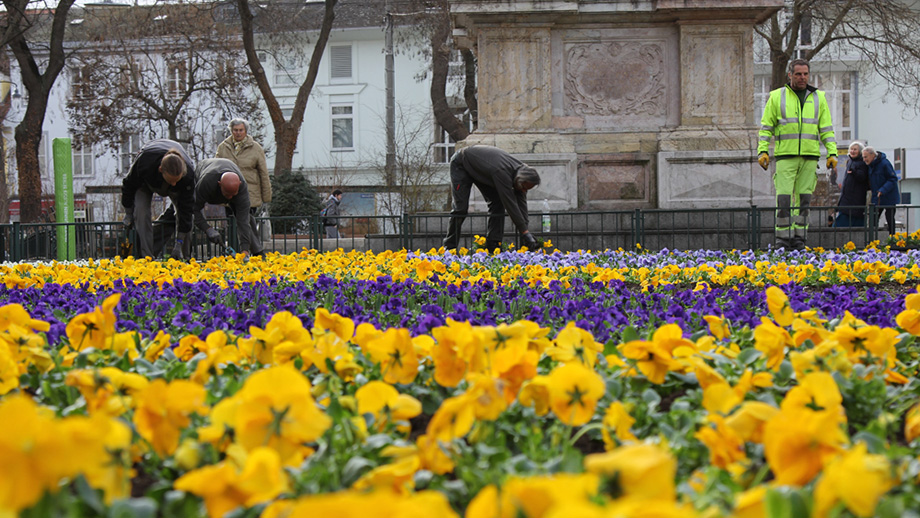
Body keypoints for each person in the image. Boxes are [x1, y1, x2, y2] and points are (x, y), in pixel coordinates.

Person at [757, 59, 838, 250]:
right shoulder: (776, 97)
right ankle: (783, 240)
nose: (802, 77)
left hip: (809, 157)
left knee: (804, 201)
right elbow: (766, 127)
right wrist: (762, 150)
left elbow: (826, 129)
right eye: (798, 74)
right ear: (790, 75)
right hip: (786, 156)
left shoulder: (819, 97)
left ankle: (799, 239)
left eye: (805, 74)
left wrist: (832, 153)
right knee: (784, 200)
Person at [442, 144, 542, 251]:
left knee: (497, 204)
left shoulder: (521, 173)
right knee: (460, 209)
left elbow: (522, 206)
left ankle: (493, 245)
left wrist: (526, 233)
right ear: (520, 180)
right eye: (524, 188)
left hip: (481, 168)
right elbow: (510, 204)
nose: (524, 191)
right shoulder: (502, 172)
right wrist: (525, 233)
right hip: (461, 164)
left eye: (527, 189)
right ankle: (449, 247)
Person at [121, 139, 195, 259]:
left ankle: (184, 256)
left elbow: (187, 210)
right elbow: (128, 186)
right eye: (172, 180)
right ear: (161, 170)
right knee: (141, 212)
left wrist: (178, 243)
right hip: (146, 182)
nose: (174, 184)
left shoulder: (188, 174)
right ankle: (147, 257)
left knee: (186, 216)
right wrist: (129, 213)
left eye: (177, 180)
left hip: (179, 186)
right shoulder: (144, 162)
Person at [216, 118, 271, 246]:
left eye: (241, 130)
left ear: (246, 131)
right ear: (231, 131)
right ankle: (233, 251)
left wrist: (266, 196)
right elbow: (216, 168)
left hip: (249, 193)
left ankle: (254, 251)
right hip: (229, 192)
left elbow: (263, 173)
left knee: (247, 223)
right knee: (232, 224)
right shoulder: (223, 147)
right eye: (235, 130)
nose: (238, 133)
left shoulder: (255, 148)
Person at [192, 158, 264, 256]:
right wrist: (208, 229)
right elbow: (194, 209)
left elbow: (243, 221)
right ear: (219, 184)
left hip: (229, 173)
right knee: (187, 215)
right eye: (227, 194)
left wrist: (245, 249)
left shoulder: (242, 188)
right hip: (205, 172)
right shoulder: (206, 182)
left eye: (233, 195)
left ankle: (257, 252)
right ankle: (185, 254)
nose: (230, 197)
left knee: (246, 218)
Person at [863, 146, 900, 235]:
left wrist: (883, 190)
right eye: (863, 157)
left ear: (872, 155)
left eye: (866, 157)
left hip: (888, 196)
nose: (864, 159)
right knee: (874, 218)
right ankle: (873, 239)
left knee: (890, 218)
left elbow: (893, 179)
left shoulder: (884, 163)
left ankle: (892, 239)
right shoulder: (870, 166)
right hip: (877, 196)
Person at [833, 141, 870, 228]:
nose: (852, 151)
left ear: (860, 151)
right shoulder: (850, 161)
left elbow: (862, 177)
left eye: (855, 149)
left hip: (855, 199)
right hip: (847, 198)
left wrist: (854, 172)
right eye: (851, 149)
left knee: (844, 222)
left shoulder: (862, 163)